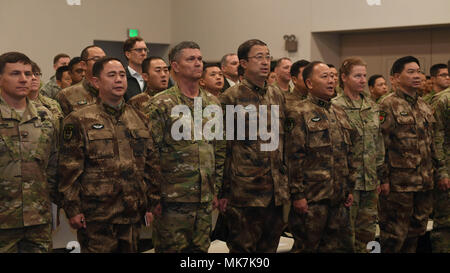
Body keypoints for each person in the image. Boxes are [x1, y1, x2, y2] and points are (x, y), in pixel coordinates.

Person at [58, 57, 161, 253]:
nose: (119, 80)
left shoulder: (140, 118)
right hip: (97, 216)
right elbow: (69, 169)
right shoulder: (79, 120)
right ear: (96, 82)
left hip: (132, 213)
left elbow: (151, 164)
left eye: (122, 75)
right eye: (111, 75)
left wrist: (152, 201)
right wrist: (73, 209)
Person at [147, 41, 224, 253]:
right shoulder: (161, 103)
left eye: (200, 59)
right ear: (176, 66)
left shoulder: (212, 103)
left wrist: (216, 189)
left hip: (204, 199)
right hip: (172, 200)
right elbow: (149, 153)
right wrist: (153, 196)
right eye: (191, 59)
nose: (198, 63)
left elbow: (218, 148)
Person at [218, 39, 289, 253]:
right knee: (243, 251)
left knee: (269, 250)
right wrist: (223, 191)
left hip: (275, 192)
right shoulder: (231, 97)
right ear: (243, 63)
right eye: (259, 57)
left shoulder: (276, 94)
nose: (265, 62)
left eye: (268, 57)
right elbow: (223, 147)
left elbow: (284, 141)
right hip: (245, 193)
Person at [378, 56, 446, 253]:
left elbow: (433, 144)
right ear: (396, 77)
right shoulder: (387, 105)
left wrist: (440, 173)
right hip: (399, 185)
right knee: (393, 237)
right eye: (411, 72)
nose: (417, 76)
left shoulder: (424, 106)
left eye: (418, 71)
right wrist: (383, 179)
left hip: (424, 183)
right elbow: (380, 144)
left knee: (415, 235)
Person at [286, 61, 355, 253]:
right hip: (312, 199)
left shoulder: (339, 112)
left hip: (337, 198)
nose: (331, 80)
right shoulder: (298, 112)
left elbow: (348, 153)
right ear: (309, 83)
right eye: (324, 77)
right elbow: (293, 157)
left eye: (332, 76)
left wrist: (349, 187)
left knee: (333, 248)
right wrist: (297, 195)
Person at [0, 52, 59, 253]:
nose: (25, 79)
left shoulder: (46, 117)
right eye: (15, 73)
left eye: (29, 73)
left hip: (37, 220)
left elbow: (53, 164)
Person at [332, 57, 384, 253]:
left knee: (368, 235)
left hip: (370, 182)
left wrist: (379, 176)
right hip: (348, 184)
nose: (362, 80)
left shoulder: (371, 106)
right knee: (345, 236)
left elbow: (378, 144)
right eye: (357, 76)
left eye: (364, 76)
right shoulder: (335, 106)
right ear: (344, 77)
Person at [55, 45, 106, 116]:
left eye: (104, 59)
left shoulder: (112, 90)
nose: (102, 62)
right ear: (83, 65)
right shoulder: (66, 95)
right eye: (96, 59)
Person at [429, 82, 450, 253]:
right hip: (448, 170)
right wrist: (441, 171)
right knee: (445, 223)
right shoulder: (443, 99)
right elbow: (436, 137)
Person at [123, 37, 149, 101]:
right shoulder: (122, 77)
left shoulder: (151, 76)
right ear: (128, 54)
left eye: (145, 50)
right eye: (139, 50)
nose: (143, 53)